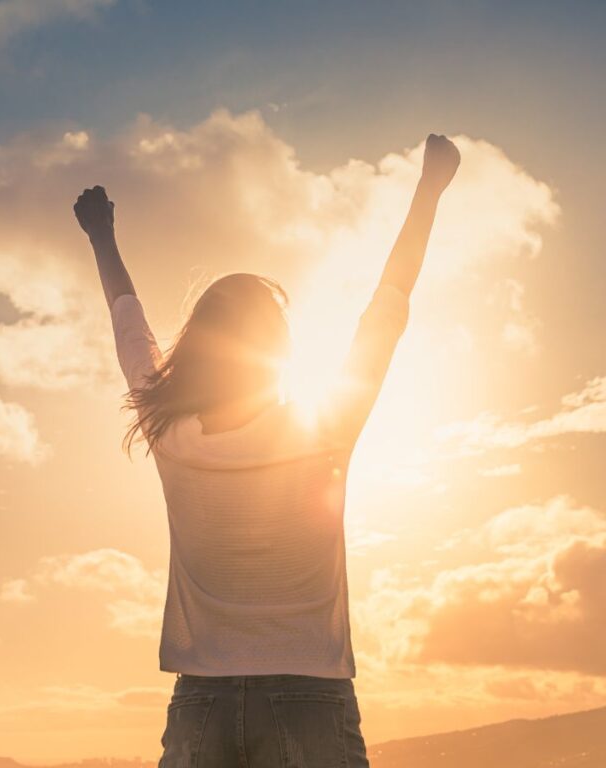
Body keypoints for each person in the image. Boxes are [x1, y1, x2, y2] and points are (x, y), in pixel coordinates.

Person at [73, 133, 461, 767]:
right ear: (277, 353)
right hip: (311, 697)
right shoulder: (324, 429)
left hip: (201, 705)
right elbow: (387, 308)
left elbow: (129, 325)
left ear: (197, 348)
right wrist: (429, 190)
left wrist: (100, 236)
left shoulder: (171, 434)